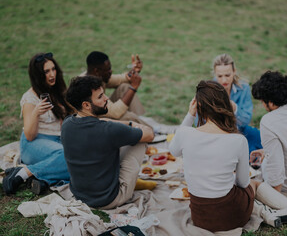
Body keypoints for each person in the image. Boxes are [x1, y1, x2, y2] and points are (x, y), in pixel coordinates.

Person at [169, 80, 287, 231]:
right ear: (226, 106)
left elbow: (173, 150)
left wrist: (190, 114)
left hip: (200, 218)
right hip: (231, 218)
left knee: (237, 193)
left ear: (197, 105)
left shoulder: (184, 133)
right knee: (254, 184)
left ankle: (269, 214)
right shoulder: (238, 140)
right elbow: (242, 183)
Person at [61, 75, 155, 209]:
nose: (107, 99)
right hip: (109, 199)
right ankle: (130, 182)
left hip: (80, 196)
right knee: (140, 140)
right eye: (100, 97)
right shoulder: (108, 130)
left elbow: (101, 123)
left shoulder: (67, 123)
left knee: (125, 138)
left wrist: (127, 123)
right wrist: (134, 124)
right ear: (86, 105)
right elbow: (150, 134)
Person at [3, 52, 74, 195]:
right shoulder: (30, 99)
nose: (52, 74)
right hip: (34, 144)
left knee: (81, 160)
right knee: (68, 156)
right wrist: (36, 113)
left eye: (53, 69)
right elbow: (29, 135)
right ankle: (23, 173)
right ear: (38, 75)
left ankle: (40, 180)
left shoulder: (58, 91)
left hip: (57, 142)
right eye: (46, 71)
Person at [82, 51, 178, 134]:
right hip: (91, 123)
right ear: (97, 71)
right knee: (127, 116)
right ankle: (152, 131)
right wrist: (134, 87)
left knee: (124, 87)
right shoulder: (87, 86)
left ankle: (139, 120)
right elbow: (116, 113)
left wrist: (134, 72)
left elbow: (122, 79)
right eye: (108, 70)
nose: (111, 72)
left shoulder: (96, 76)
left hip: (99, 111)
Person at [196, 54, 262, 153]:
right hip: (215, 136)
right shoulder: (208, 90)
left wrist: (235, 109)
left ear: (234, 71)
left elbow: (246, 120)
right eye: (220, 76)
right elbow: (199, 122)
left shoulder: (243, 88)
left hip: (239, 131)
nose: (224, 80)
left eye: (227, 75)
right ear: (215, 74)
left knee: (260, 139)